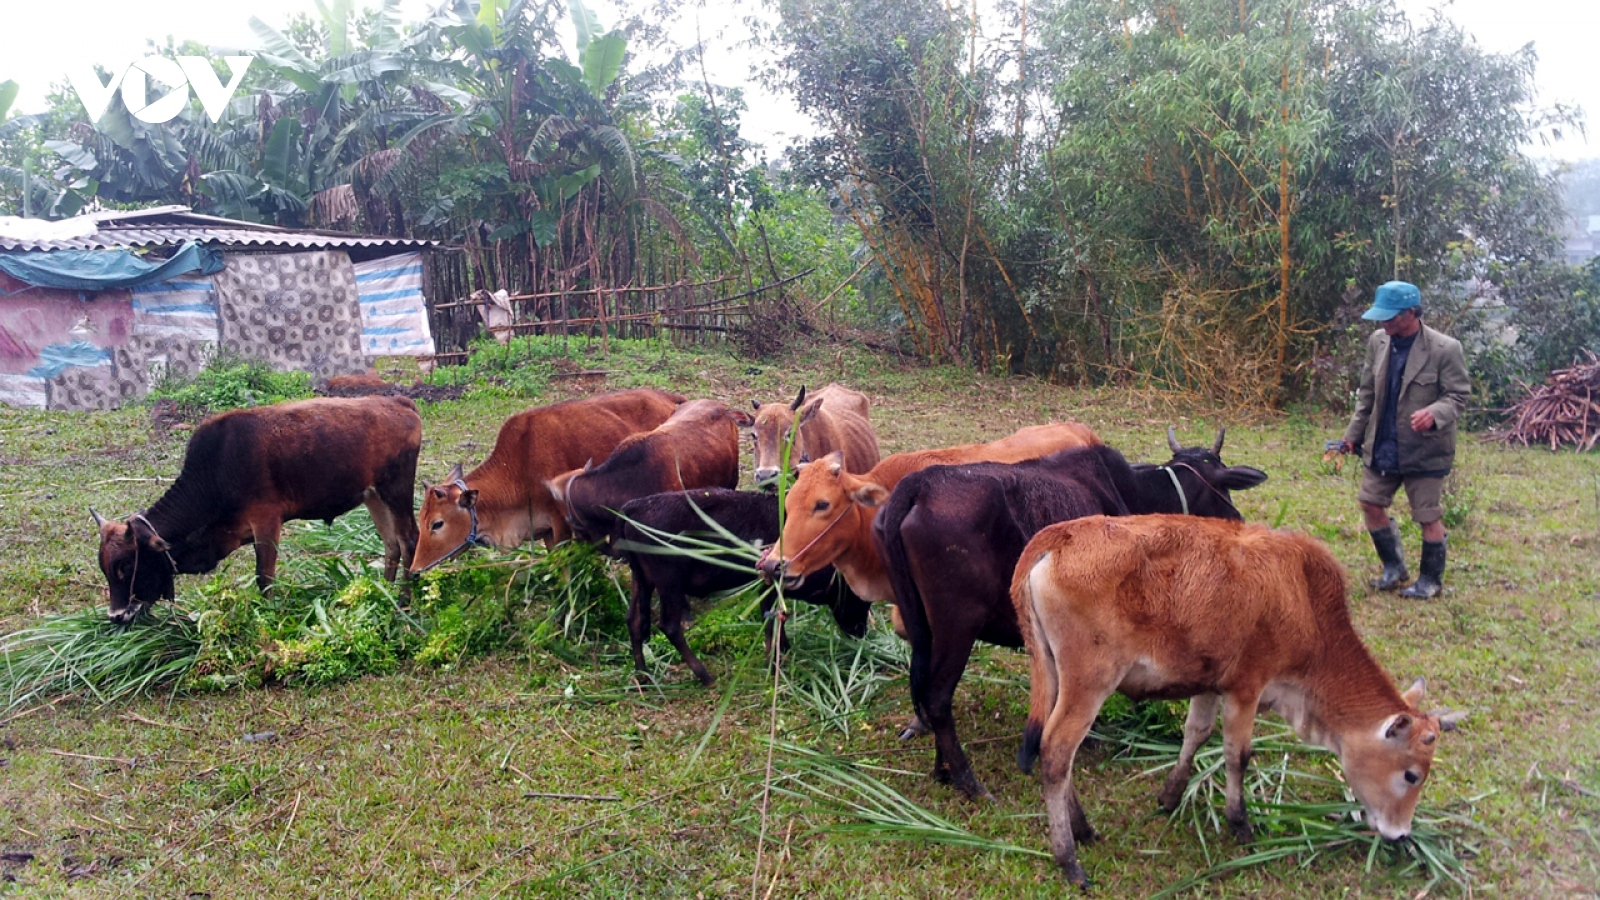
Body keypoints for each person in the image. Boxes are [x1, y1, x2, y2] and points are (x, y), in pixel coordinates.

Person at [1338, 281, 1471, 599]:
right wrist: (1352, 436)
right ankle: (1394, 567)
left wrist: (1435, 413)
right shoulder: (1378, 342)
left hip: (1424, 448)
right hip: (1382, 442)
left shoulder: (1444, 349)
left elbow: (1459, 395)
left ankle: (1430, 580)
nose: (1384, 324)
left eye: (1391, 317)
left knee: (1427, 515)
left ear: (1411, 313)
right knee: (1370, 503)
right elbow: (1367, 394)